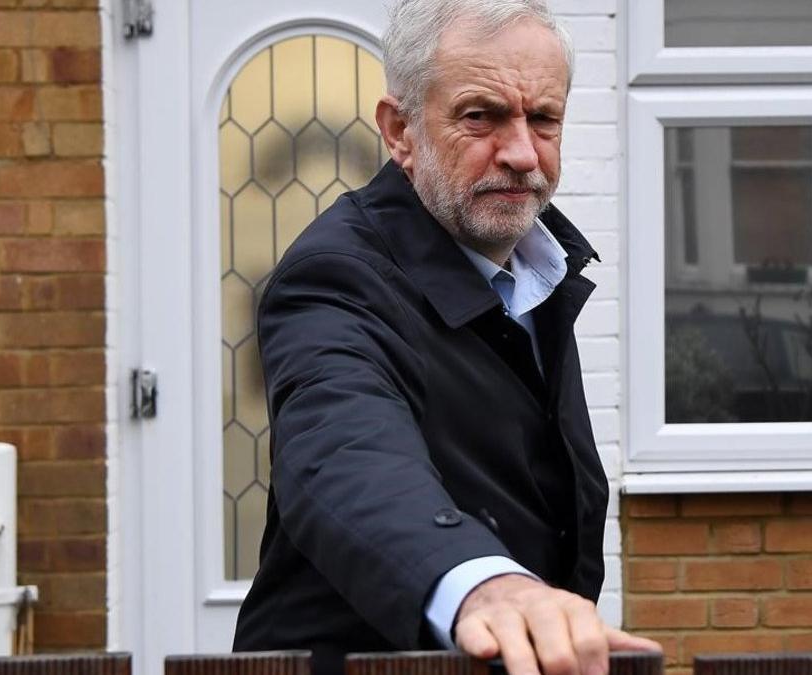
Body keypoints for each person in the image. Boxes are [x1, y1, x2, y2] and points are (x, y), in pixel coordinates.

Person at [232, 1, 661, 674]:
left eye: (543, 119)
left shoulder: (536, 269)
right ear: (399, 130)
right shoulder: (338, 276)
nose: (522, 153)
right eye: (480, 116)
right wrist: (481, 584)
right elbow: (346, 451)